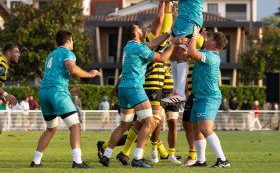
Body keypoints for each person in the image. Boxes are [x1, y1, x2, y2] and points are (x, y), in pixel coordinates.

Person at [99, 23, 180, 168]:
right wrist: (173, 44)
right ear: (136, 34)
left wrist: (169, 32)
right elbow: (162, 58)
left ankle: (106, 156)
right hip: (134, 88)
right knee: (150, 123)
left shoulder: (129, 46)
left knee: (124, 125)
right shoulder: (139, 48)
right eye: (140, 29)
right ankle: (138, 158)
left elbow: (154, 42)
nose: (144, 30)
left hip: (124, 88)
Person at [30, 28, 101, 169]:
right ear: (68, 41)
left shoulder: (51, 55)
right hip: (57, 93)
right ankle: (77, 161)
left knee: (51, 128)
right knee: (75, 126)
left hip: (44, 92)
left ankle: (36, 161)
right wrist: (90, 74)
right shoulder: (67, 52)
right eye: (72, 40)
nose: (73, 43)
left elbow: (52, 79)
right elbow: (72, 69)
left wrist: (67, 91)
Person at [160, 0, 214, 103]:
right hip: (185, 18)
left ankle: (179, 92)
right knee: (175, 52)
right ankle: (176, 90)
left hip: (190, 19)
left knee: (180, 52)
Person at [187, 26, 230, 168]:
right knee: (196, 129)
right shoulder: (206, 52)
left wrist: (194, 35)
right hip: (199, 97)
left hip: (209, 98)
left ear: (213, 43)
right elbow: (188, 51)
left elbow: (191, 52)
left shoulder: (212, 56)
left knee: (205, 128)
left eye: (209, 38)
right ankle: (201, 160)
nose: (206, 39)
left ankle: (222, 160)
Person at [181, 30, 213, 167]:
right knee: (186, 124)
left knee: (198, 127)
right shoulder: (193, 47)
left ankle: (195, 155)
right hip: (192, 93)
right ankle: (195, 156)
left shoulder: (202, 49)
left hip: (201, 94)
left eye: (203, 33)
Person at [0, 43, 20, 133]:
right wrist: (6, 94)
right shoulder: (2, 64)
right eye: (16, 52)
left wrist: (1, 96)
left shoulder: (4, 64)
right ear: (8, 54)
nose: (19, 55)